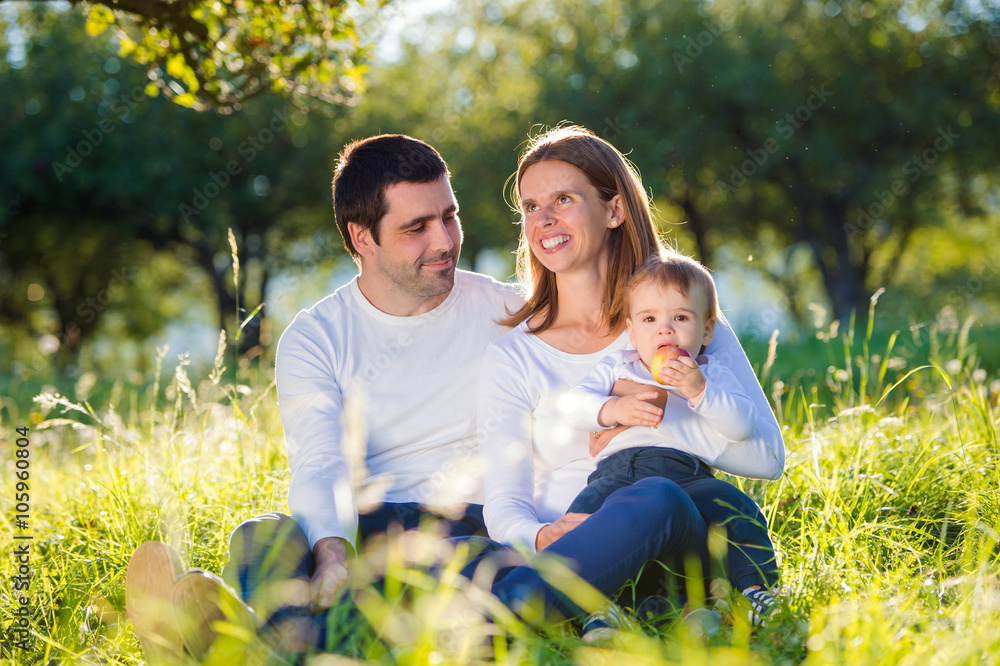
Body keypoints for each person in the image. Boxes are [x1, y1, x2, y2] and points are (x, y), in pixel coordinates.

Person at [124, 132, 712, 661]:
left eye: (448, 217)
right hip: (360, 521)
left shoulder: (508, 311)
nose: (444, 241)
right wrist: (331, 551)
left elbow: (586, 374)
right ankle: (261, 643)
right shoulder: (317, 335)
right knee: (263, 534)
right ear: (362, 238)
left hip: (466, 525)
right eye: (416, 228)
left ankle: (250, 650)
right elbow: (319, 457)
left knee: (437, 571)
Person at [477, 125, 785, 631]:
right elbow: (504, 503)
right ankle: (579, 612)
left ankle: (497, 618)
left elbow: (767, 458)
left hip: (675, 522)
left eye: (563, 199)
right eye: (531, 206)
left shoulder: (678, 322)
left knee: (659, 495)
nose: (544, 220)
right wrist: (539, 537)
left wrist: (651, 423)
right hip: (576, 545)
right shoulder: (514, 356)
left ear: (615, 209)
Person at [562, 252, 782, 621]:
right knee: (582, 517)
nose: (664, 330)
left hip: (686, 475)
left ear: (707, 330)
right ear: (632, 331)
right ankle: (593, 605)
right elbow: (571, 406)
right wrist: (612, 411)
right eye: (649, 319)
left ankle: (757, 589)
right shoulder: (618, 365)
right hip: (617, 474)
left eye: (680, 317)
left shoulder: (713, 373)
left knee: (735, 508)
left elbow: (742, 426)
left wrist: (699, 391)